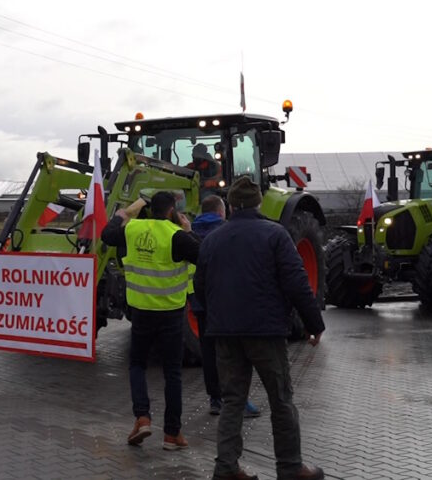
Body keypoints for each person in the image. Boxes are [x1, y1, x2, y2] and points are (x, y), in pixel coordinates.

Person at [194, 177, 325, 480]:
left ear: (230, 205)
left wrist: (219, 316)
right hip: (265, 332)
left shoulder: (212, 239)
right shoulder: (275, 235)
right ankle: (291, 468)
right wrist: (313, 323)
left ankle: (226, 468)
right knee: (280, 399)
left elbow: (200, 287)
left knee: (232, 401)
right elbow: (297, 282)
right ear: (258, 203)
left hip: (225, 334)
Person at [101, 191, 200, 451]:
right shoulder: (176, 236)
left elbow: (107, 235)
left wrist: (120, 216)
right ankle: (171, 434)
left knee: (137, 365)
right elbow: (203, 255)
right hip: (171, 313)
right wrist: (188, 230)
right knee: (172, 373)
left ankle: (142, 418)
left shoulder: (133, 229)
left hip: (141, 311)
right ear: (173, 211)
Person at [190, 194, 261, 419]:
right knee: (235, 355)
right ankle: (238, 400)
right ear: (222, 212)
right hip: (225, 302)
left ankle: (215, 399)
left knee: (209, 354)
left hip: (199, 302)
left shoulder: (188, 231)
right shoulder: (227, 232)